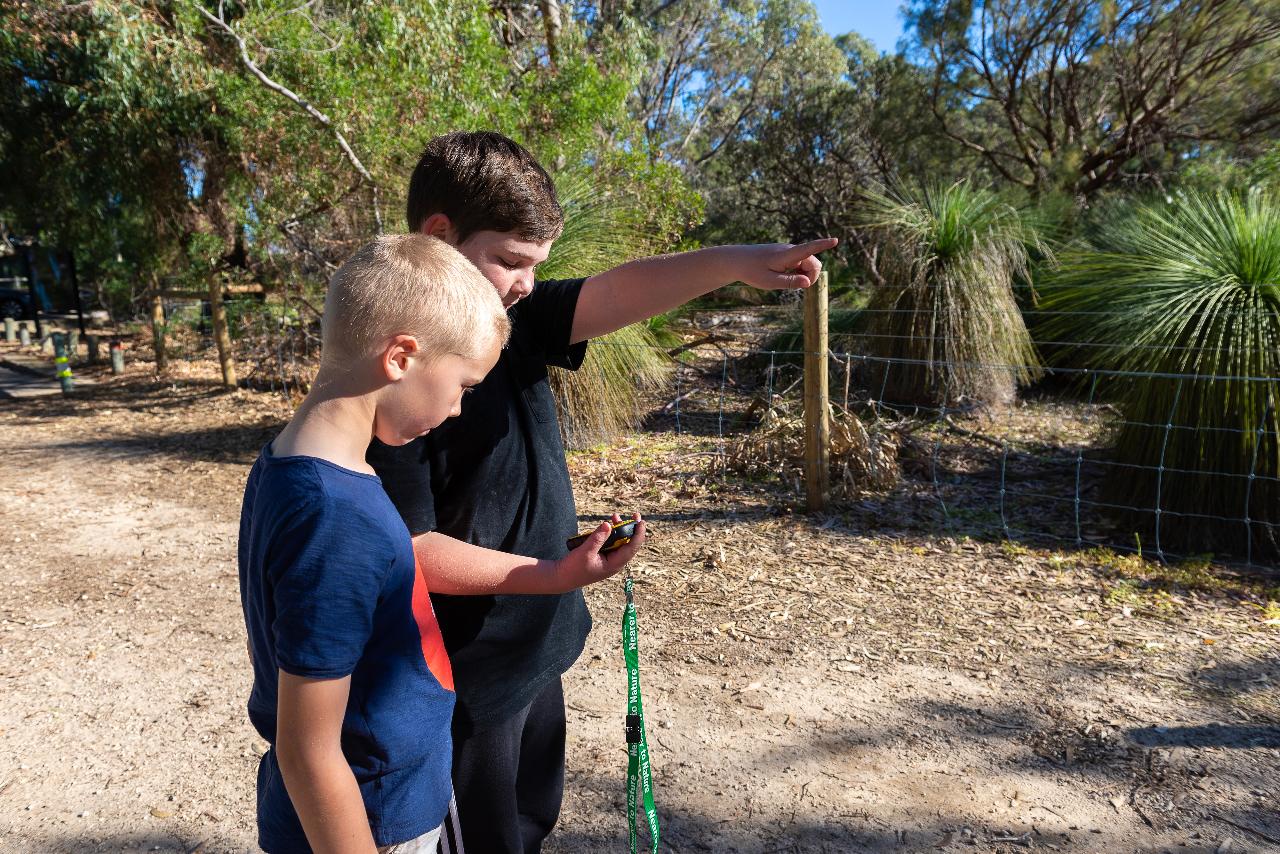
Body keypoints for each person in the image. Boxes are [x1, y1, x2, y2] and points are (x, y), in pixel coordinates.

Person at [368, 131, 835, 853]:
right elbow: (413, 549)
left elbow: (622, 289)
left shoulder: (511, 321)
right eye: (511, 261)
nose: (524, 282)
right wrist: (549, 574)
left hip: (540, 650)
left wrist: (741, 263)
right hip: (467, 680)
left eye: (536, 266)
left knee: (531, 824)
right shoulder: (398, 377)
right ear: (440, 235)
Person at [238, 233, 646, 854]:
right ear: (401, 356)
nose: (459, 409)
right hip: (374, 821)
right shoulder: (334, 517)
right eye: (463, 385)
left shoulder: (298, 464)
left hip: (389, 795)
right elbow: (309, 751)